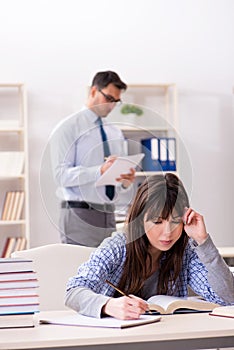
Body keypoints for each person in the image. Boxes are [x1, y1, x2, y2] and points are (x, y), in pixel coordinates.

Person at [65, 173, 234, 319]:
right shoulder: (117, 247)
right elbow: (74, 291)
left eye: (176, 221)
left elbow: (228, 298)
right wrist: (108, 305)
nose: (168, 232)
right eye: (157, 221)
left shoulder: (186, 252)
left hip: (166, 337)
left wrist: (203, 242)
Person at [50, 71, 136, 247]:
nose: (111, 106)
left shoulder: (115, 132)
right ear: (93, 91)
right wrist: (99, 171)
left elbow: (116, 185)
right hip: (79, 215)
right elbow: (60, 175)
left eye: (116, 101)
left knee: (111, 274)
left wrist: (126, 182)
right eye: (109, 98)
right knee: (79, 271)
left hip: (109, 216)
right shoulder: (68, 127)